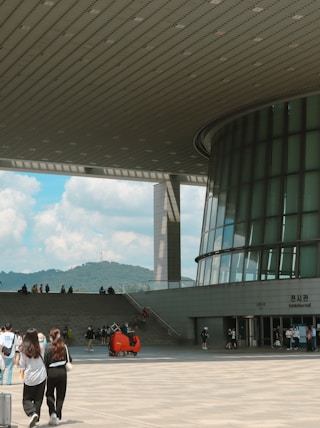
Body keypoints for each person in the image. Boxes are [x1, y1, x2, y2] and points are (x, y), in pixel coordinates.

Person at [44, 327, 72, 426]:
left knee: (49, 394)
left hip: (51, 372)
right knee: (61, 395)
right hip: (62, 372)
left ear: (51, 337)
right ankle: (58, 414)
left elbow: (45, 361)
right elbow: (70, 359)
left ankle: (52, 413)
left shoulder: (48, 346)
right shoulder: (64, 346)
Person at [19, 327, 47, 428]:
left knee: (26, 399)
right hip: (41, 376)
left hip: (30, 377)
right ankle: (35, 418)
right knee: (38, 399)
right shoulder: (41, 346)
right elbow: (43, 338)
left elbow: (22, 364)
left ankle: (32, 413)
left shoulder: (23, 348)